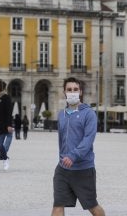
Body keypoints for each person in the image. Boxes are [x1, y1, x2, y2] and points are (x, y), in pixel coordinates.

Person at [51, 77, 105, 216]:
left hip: (83, 169)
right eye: (69, 90)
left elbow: (88, 139)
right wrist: (63, 158)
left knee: (92, 207)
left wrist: (73, 155)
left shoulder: (89, 113)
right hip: (63, 169)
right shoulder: (61, 115)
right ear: (64, 92)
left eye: (75, 89)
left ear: (80, 92)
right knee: (58, 205)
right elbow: (61, 141)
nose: (72, 92)